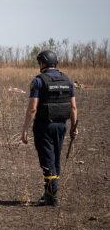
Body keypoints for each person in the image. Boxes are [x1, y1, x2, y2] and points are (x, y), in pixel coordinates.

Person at [21, 50, 78, 206]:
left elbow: (33, 108)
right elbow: (73, 107)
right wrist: (73, 126)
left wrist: (25, 129)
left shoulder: (39, 81)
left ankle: (51, 196)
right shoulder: (67, 80)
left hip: (44, 126)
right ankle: (50, 193)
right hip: (61, 126)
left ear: (42, 63)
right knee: (55, 159)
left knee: (48, 160)